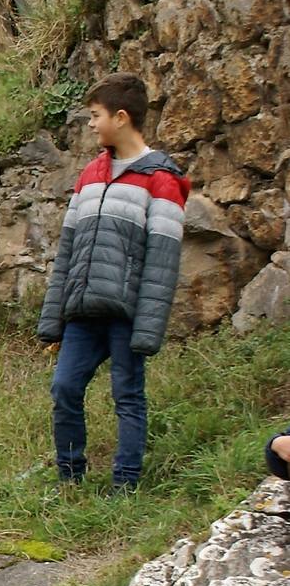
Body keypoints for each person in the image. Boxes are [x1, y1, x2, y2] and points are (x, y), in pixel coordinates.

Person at [37, 73, 190, 494]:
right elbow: (68, 250)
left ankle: (126, 485)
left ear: (121, 118)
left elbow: (163, 261)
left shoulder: (162, 178)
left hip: (126, 314)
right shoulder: (89, 175)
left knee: (127, 396)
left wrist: (147, 328)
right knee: (64, 387)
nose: (90, 124)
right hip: (83, 313)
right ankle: (70, 477)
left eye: (95, 115)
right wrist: (53, 318)